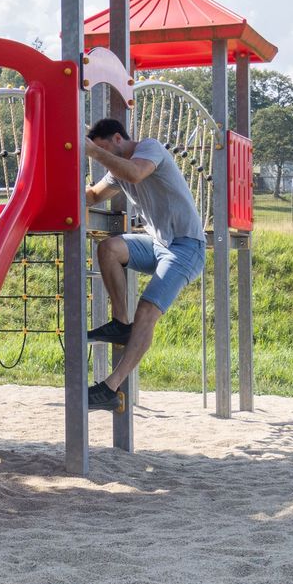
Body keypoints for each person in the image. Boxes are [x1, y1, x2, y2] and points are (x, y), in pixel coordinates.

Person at [82, 117, 206, 410]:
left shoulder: (150, 148)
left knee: (148, 310)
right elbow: (92, 196)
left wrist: (94, 151)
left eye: (104, 149)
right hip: (159, 244)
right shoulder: (116, 170)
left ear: (117, 139)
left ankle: (110, 387)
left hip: (187, 246)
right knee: (109, 248)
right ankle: (120, 324)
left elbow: (136, 174)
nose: (103, 159)